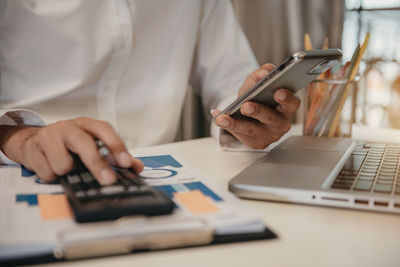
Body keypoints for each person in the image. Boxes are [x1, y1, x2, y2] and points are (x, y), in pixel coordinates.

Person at [0, 0, 300, 185]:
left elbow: (230, 83)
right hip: (22, 173)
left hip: (159, 175)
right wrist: (15, 136)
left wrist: (246, 119)